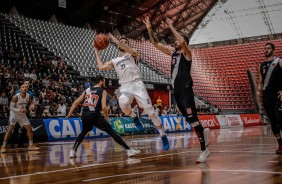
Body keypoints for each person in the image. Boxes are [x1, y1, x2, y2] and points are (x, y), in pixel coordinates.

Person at [143, 16, 210, 163]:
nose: (175, 42)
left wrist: (172, 27)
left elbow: (182, 42)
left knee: (192, 118)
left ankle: (204, 150)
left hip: (186, 90)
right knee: (190, 120)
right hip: (177, 92)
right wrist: (149, 29)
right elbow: (155, 43)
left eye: (178, 41)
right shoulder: (172, 53)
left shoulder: (187, 54)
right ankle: (203, 133)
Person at [94, 33, 169, 151]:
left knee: (151, 112)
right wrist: (96, 52)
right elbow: (101, 67)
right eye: (122, 41)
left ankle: (162, 135)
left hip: (137, 84)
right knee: (122, 104)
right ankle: (134, 117)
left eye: (125, 41)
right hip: (125, 86)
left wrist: (115, 39)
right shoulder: (114, 60)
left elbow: (124, 46)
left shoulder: (132, 53)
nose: (123, 42)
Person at [66, 75, 140, 158]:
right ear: (100, 81)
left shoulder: (87, 90)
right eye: (104, 81)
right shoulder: (102, 91)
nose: (104, 83)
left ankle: (73, 151)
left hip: (85, 114)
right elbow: (104, 107)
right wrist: (106, 116)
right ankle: (128, 150)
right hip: (94, 114)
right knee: (111, 132)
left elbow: (76, 102)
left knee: (84, 132)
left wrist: (70, 113)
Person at [258, 42, 282, 154]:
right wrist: (258, 91)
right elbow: (260, 81)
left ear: (273, 50)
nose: (266, 50)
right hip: (267, 96)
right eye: (265, 48)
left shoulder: (279, 62)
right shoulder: (261, 65)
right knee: (272, 120)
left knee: (279, 119)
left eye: (268, 48)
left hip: (278, 95)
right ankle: (280, 144)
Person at [0, 84, 39, 152]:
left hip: (22, 115)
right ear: (20, 89)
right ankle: (3, 147)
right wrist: (19, 110)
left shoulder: (28, 96)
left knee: (29, 129)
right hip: (14, 114)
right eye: (23, 87)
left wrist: (31, 107)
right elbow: (11, 108)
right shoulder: (16, 97)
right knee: (10, 129)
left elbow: (30, 104)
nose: (25, 88)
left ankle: (30, 145)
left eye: (26, 87)